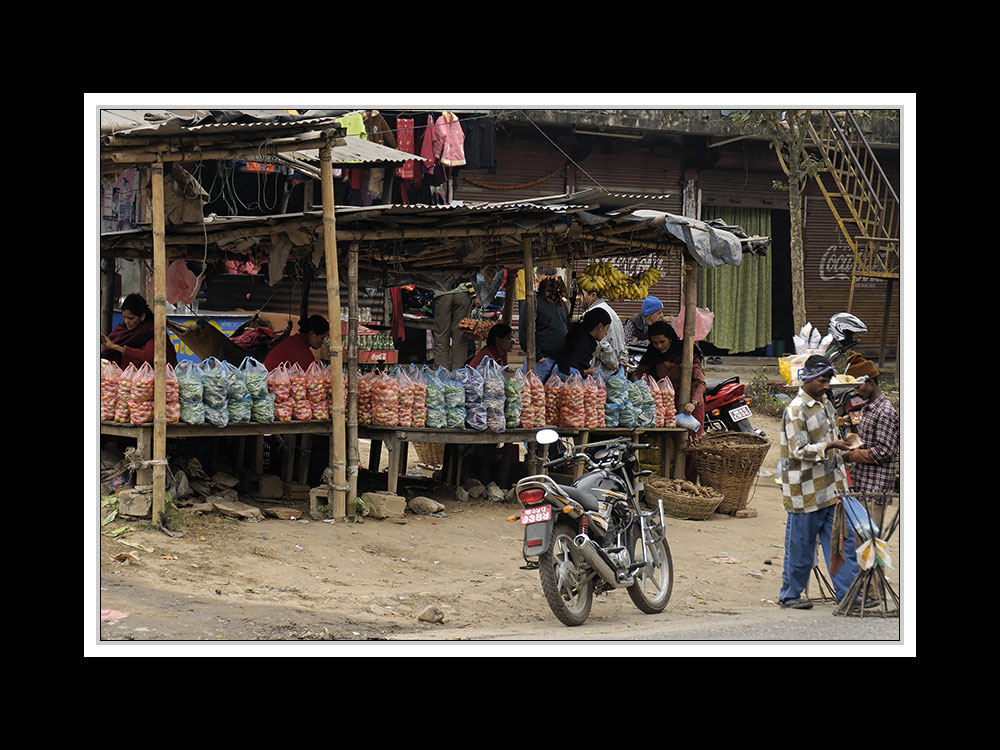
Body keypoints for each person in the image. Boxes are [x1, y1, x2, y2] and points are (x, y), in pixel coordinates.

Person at [777, 355, 867, 610]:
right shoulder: (795, 410)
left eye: (828, 380)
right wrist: (831, 445)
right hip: (804, 491)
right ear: (807, 379)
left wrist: (844, 441)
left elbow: (831, 436)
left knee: (841, 545)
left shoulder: (825, 403)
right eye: (822, 380)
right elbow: (798, 450)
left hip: (831, 489)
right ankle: (790, 595)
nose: (827, 385)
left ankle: (847, 596)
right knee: (800, 548)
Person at [629, 320, 706, 434]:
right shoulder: (652, 354)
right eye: (655, 343)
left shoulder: (686, 352)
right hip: (666, 406)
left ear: (670, 338)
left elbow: (700, 382)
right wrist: (639, 384)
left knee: (691, 441)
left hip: (689, 406)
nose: (659, 346)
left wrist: (693, 403)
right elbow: (638, 373)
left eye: (662, 342)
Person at [101, 293, 178, 368]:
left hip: (148, 377)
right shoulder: (121, 330)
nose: (127, 322)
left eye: (131, 318)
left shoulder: (151, 331)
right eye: (124, 317)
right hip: (122, 376)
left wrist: (116, 347)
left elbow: (147, 357)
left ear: (142, 316)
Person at [519, 276, 570, 381]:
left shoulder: (561, 305)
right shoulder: (533, 303)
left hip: (559, 361)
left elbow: (567, 326)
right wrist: (538, 356)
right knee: (534, 394)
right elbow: (524, 331)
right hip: (540, 361)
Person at [578, 286, 627, 376]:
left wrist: (615, 364)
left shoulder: (594, 314)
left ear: (593, 296)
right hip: (615, 369)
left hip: (602, 371)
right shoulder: (611, 311)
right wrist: (622, 359)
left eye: (581, 295)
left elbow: (600, 346)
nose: (577, 298)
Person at [555, 306, 612, 377]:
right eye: (607, 328)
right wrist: (589, 371)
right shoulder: (582, 342)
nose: (606, 333)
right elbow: (567, 370)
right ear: (600, 326)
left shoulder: (581, 335)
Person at [431, 281, 475, 370]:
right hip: (462, 292)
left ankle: (441, 371)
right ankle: (458, 371)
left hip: (442, 292)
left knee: (441, 335)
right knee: (460, 335)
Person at [263, 314, 329, 371]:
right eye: (322, 338)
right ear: (311, 334)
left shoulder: (295, 341)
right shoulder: (300, 349)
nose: (323, 342)